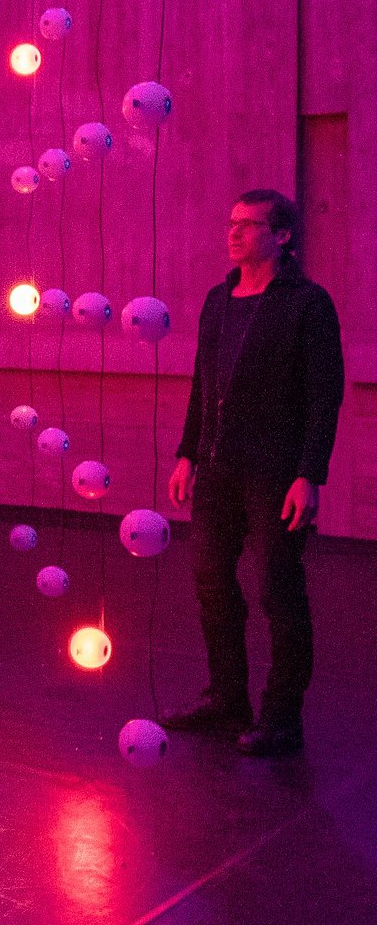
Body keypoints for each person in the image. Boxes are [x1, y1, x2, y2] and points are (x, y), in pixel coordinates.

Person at [163, 189, 343, 757]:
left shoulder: (308, 303)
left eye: (248, 224)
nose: (234, 233)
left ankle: (282, 715)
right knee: (212, 585)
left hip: (275, 472)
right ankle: (226, 698)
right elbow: (202, 383)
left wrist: (309, 473)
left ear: (282, 234)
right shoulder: (219, 299)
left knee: (277, 590)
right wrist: (187, 453)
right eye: (231, 222)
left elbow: (324, 393)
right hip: (217, 469)